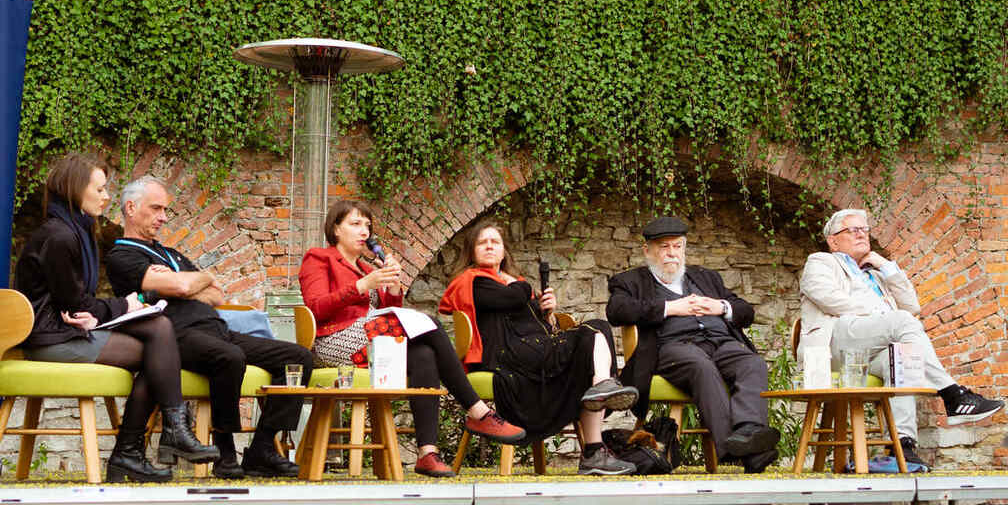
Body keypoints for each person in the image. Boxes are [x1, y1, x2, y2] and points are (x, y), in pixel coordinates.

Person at [14, 155, 218, 483]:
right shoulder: (60, 236)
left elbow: (79, 304)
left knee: (159, 336)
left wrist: (119, 309)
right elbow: (75, 304)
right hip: (51, 338)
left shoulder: (76, 230)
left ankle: (145, 445)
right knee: (159, 349)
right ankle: (138, 447)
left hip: (68, 329)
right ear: (75, 189)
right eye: (99, 189)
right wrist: (124, 305)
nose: (107, 196)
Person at [106, 175, 314, 479]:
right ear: (131, 208)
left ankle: (262, 449)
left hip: (216, 329)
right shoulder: (122, 255)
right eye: (156, 208)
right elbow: (183, 286)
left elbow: (216, 295)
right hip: (174, 337)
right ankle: (225, 452)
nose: (163, 217)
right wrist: (190, 281)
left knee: (298, 358)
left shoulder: (170, 254)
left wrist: (188, 282)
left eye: (165, 210)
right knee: (228, 356)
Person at [299, 200, 527, 477]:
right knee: (428, 323)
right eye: (355, 224)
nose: (364, 232)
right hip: (335, 340)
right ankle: (477, 410)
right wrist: (361, 286)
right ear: (336, 229)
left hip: (372, 341)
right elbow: (316, 307)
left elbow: (386, 310)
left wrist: (394, 288)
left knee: (424, 355)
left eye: (367, 226)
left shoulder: (367, 268)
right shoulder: (319, 258)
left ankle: (427, 453)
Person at [800, 208, 1004, 467]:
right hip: (835, 343)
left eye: (865, 230)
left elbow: (911, 306)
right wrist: (883, 316)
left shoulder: (876, 274)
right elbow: (828, 299)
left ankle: (901, 445)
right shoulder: (821, 261)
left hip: (871, 348)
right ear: (833, 241)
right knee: (901, 322)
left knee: (903, 358)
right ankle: (953, 394)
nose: (862, 234)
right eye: (853, 230)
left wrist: (885, 266)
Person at [440, 221, 639, 476]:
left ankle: (595, 442)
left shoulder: (511, 283)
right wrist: (520, 285)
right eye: (482, 243)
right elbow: (514, 297)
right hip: (507, 355)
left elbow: (536, 326)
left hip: (531, 350)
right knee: (594, 331)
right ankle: (602, 390)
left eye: (495, 242)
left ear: (504, 251)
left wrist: (548, 313)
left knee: (590, 346)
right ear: (471, 251)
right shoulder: (473, 281)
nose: (489, 246)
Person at [606, 215, 779, 473]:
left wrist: (721, 307)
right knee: (701, 367)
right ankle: (737, 451)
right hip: (673, 348)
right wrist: (670, 308)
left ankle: (748, 431)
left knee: (752, 363)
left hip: (721, 343)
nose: (672, 253)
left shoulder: (706, 277)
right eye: (664, 247)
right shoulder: (631, 281)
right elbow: (617, 311)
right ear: (648, 250)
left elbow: (746, 311)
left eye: (677, 246)